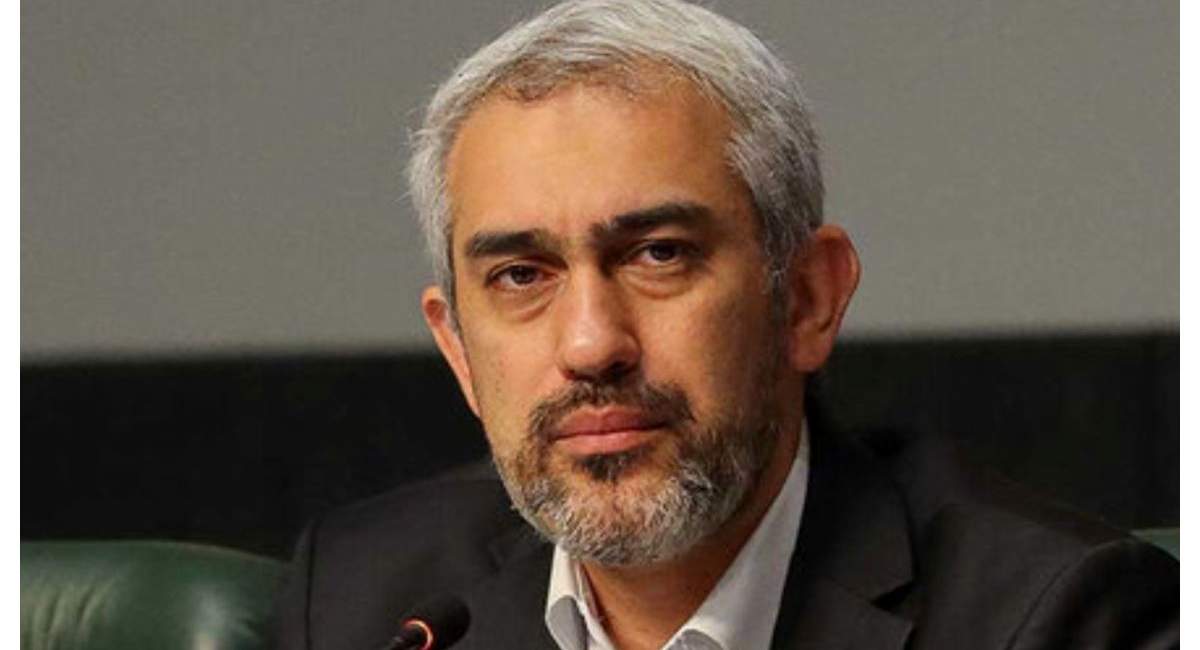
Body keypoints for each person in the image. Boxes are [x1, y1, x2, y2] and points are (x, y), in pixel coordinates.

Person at [276, 1, 1178, 648]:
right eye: (521, 275)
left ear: (808, 298)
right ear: (458, 351)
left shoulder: (1055, 616)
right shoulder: (362, 599)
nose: (591, 344)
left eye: (658, 254)